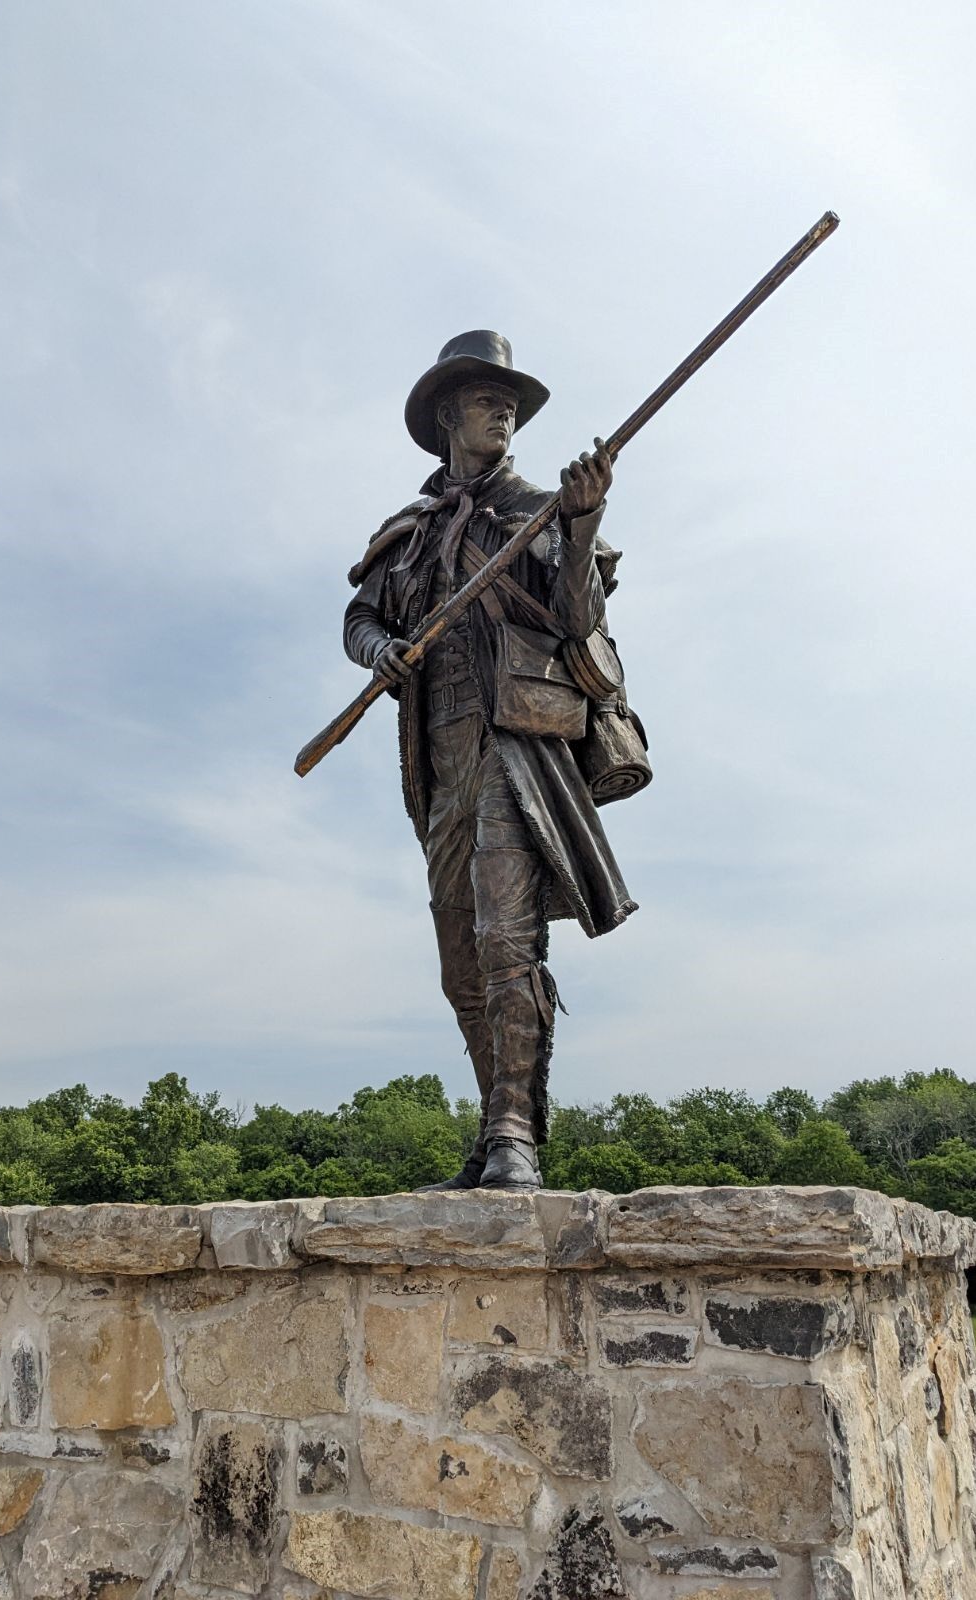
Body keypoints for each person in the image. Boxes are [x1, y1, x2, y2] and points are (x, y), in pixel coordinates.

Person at [344, 331, 636, 1191]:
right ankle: (489, 1129)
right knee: (459, 961)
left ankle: (517, 1132)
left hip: (513, 748)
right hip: (440, 766)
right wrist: (381, 653)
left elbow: (578, 623)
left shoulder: (542, 512)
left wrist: (582, 528)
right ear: (447, 416)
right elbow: (358, 617)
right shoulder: (412, 533)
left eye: (509, 401)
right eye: (483, 398)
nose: (502, 409)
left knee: (509, 942)